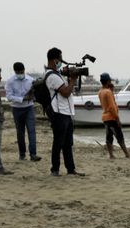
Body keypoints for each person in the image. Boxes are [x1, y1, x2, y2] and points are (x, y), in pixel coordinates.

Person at [45, 47, 84, 176]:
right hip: (59, 112)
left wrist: (69, 76)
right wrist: (73, 79)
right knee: (58, 142)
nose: (61, 61)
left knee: (67, 143)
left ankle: (70, 169)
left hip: (65, 112)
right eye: (60, 59)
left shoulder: (57, 75)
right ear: (55, 60)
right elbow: (66, 93)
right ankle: (55, 170)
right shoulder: (52, 76)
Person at [5, 62, 40, 161]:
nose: (20, 74)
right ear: (15, 71)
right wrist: (22, 99)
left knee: (31, 131)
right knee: (20, 132)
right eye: (18, 72)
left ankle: (33, 154)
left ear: (24, 70)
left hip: (29, 108)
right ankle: (22, 154)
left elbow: (35, 93)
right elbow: (9, 96)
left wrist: (33, 96)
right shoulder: (10, 81)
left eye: (22, 72)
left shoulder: (30, 80)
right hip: (16, 109)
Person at [99, 72, 129, 159]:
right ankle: (127, 153)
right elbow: (112, 107)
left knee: (109, 136)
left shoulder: (101, 91)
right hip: (111, 117)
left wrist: (111, 90)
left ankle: (111, 154)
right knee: (119, 136)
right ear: (108, 81)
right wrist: (117, 119)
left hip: (105, 117)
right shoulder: (108, 92)